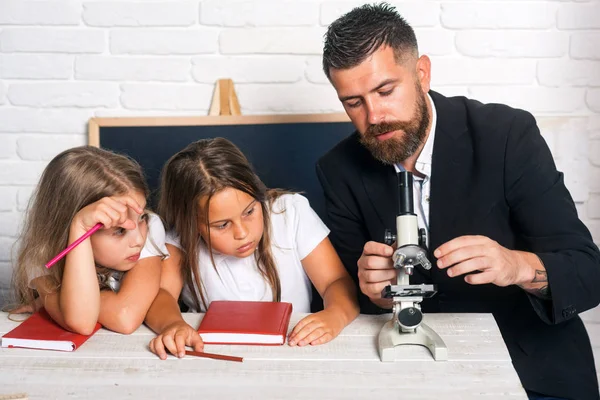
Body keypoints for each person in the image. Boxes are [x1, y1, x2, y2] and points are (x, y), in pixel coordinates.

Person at [315, 3, 600, 400]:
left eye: (385, 91)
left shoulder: (507, 135)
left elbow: (588, 271)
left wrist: (517, 265)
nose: (374, 116)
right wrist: (374, 290)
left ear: (422, 73)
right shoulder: (338, 170)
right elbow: (356, 296)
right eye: (353, 102)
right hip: (413, 375)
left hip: (530, 367)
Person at [144, 138, 359, 359]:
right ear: (190, 224)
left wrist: (336, 314)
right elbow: (160, 294)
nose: (242, 233)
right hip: (216, 356)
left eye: (249, 212)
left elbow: (336, 281)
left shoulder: (289, 212)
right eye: (222, 225)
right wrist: (172, 324)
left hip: (295, 352)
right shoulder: (179, 238)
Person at [11, 146, 168, 335]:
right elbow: (83, 322)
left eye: (141, 217)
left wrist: (53, 301)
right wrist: (79, 228)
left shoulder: (151, 227)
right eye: (119, 230)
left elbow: (124, 317)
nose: (139, 240)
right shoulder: (42, 253)